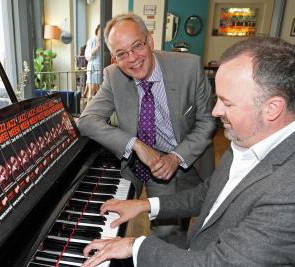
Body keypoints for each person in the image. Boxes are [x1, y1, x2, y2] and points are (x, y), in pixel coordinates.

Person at [81, 36, 295, 266]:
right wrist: (145, 205)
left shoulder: (287, 192)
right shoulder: (246, 142)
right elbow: (208, 193)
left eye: (227, 102)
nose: (215, 111)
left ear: (272, 108)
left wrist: (135, 246)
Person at [77, 13, 215, 240]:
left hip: (185, 157)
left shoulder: (188, 67)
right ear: (114, 58)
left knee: (178, 226)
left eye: (137, 46)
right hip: (146, 160)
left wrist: (175, 157)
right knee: (152, 228)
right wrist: (136, 145)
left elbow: (207, 122)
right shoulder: (114, 77)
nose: (132, 59)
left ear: (150, 41)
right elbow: (87, 120)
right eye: (121, 54)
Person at [83, 24, 101, 99]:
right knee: (91, 91)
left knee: (101, 91)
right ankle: (89, 108)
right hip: (92, 68)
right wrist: (97, 47)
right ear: (97, 30)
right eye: (101, 30)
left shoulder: (106, 40)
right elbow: (87, 56)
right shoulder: (91, 41)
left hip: (101, 68)